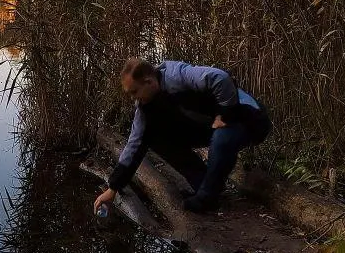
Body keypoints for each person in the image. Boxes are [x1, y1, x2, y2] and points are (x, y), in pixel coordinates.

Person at [93, 57, 271, 214]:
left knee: (222, 139)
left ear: (149, 82)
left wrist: (225, 115)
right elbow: (135, 143)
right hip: (213, 122)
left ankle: (206, 198)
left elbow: (220, 77)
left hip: (249, 118)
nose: (134, 99)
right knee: (155, 138)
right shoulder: (145, 107)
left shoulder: (176, 76)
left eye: (134, 92)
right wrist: (113, 187)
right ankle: (203, 183)